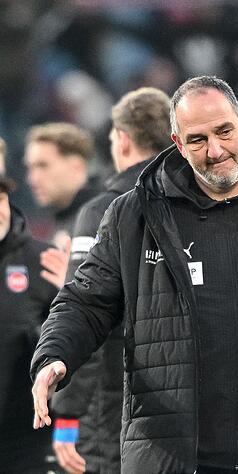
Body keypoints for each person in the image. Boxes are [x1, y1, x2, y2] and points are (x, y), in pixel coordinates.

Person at [30, 76, 238, 474]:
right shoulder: (134, 215)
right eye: (198, 140)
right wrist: (55, 355)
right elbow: (86, 300)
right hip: (173, 458)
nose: (215, 150)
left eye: (224, 131)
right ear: (178, 143)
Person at [49, 87, 172, 474]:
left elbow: (88, 314)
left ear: (121, 138)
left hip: (113, 403)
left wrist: (67, 416)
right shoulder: (191, 201)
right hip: (180, 400)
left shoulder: (102, 210)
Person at [0, 174, 61, 472]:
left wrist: (68, 431)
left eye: (0, 198)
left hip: (26, 443)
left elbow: (81, 356)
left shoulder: (45, 261)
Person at [24, 122, 98, 242]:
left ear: (77, 167)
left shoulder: (104, 217)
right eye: (30, 168)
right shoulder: (62, 221)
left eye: (43, 166)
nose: (32, 179)